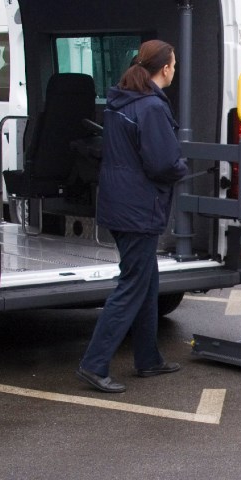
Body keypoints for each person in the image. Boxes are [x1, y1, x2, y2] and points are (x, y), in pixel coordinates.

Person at [76, 40, 187, 394]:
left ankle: (148, 358)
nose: (174, 69)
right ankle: (94, 364)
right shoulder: (152, 106)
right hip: (139, 208)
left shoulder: (123, 100)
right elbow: (163, 163)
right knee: (132, 285)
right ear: (165, 68)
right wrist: (182, 166)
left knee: (146, 280)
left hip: (121, 204)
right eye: (174, 64)